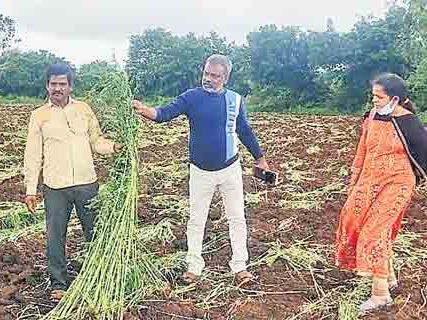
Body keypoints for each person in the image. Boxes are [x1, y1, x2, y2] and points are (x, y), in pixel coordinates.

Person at [132, 54, 269, 286]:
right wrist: (143, 109)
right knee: (197, 219)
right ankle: (194, 266)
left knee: (236, 218)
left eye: (215, 76)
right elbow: (164, 113)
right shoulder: (191, 97)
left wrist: (260, 158)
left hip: (230, 169)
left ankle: (240, 266)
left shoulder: (235, 100)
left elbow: (244, 130)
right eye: (207, 73)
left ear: (225, 78)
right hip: (200, 171)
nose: (209, 79)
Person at [335, 73, 427, 313]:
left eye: (379, 97)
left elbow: (426, 156)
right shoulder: (372, 116)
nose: (374, 101)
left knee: (375, 230)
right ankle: (388, 276)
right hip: (369, 180)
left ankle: (380, 294)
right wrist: (354, 178)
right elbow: (363, 148)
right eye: (373, 96)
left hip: (398, 183)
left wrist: (410, 179)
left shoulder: (409, 122)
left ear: (395, 98)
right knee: (352, 220)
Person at [22, 63, 122, 300]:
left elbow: (96, 141)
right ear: (47, 86)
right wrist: (30, 189)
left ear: (70, 86)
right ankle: (58, 282)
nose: (58, 88)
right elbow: (33, 154)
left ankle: (98, 275)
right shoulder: (39, 116)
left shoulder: (84, 110)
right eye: (53, 84)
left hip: (87, 183)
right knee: (55, 235)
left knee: (94, 232)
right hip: (56, 186)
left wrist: (114, 147)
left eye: (62, 84)